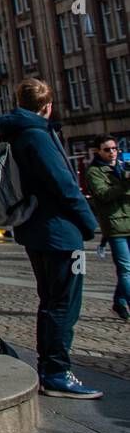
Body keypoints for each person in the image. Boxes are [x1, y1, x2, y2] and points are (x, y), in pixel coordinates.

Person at [0, 78, 103, 398]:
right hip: (59, 232)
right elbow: (64, 185)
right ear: (48, 106)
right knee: (64, 304)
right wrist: (88, 224)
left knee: (50, 301)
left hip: (37, 230)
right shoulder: (37, 136)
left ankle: (50, 368)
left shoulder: (15, 134)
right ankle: (56, 371)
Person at [82, 135, 130, 321]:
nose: (112, 152)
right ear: (98, 151)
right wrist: (126, 183)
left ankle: (119, 302)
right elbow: (104, 194)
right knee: (125, 269)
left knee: (126, 270)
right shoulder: (94, 172)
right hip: (115, 225)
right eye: (107, 149)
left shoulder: (123, 167)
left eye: (114, 148)